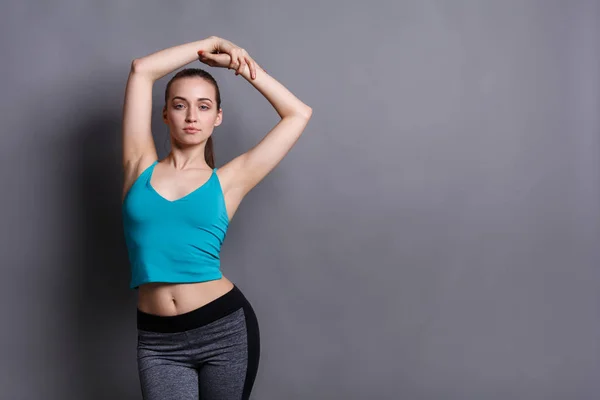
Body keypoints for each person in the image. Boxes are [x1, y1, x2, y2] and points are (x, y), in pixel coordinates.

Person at [120, 35, 312, 399]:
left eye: (204, 106)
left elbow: (298, 113)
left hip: (223, 331)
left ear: (217, 117)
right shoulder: (138, 166)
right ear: (165, 113)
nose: (192, 116)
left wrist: (242, 67)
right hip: (158, 342)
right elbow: (141, 70)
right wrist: (211, 43)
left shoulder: (229, 181)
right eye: (180, 105)